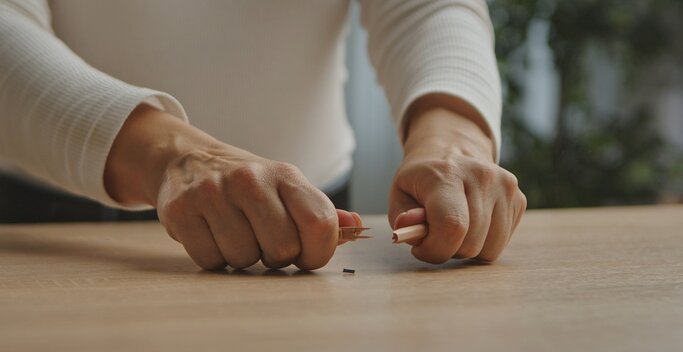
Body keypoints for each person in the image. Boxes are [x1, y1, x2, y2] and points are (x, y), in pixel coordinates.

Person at [0, 0, 527, 270]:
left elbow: (428, 7)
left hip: (312, 233)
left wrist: (453, 139)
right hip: (50, 232)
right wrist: (173, 155)